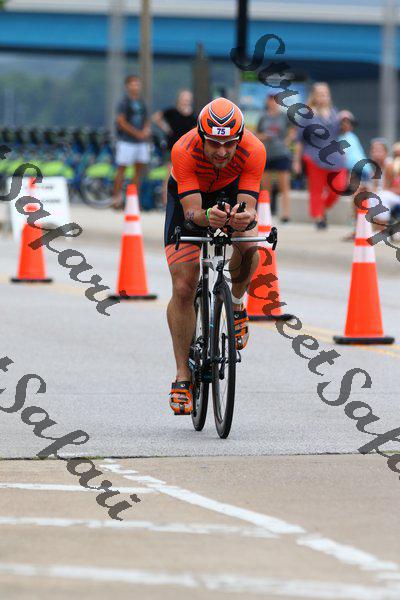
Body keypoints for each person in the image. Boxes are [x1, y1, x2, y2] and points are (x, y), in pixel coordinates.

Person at [164, 97, 266, 415]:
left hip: (229, 191)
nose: (222, 152)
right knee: (184, 284)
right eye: (214, 143)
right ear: (201, 137)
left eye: (229, 144)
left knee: (250, 245)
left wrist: (244, 218)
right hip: (189, 200)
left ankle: (235, 304)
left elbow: (249, 205)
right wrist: (208, 217)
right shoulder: (184, 149)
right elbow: (192, 212)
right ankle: (183, 376)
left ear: (239, 138)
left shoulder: (254, 150)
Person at [293, 82, 347, 229]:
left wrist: (345, 122)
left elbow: (340, 132)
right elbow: (299, 140)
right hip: (314, 156)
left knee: (338, 187)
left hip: (335, 157)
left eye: (326, 94)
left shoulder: (335, 113)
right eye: (320, 94)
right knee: (316, 190)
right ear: (314, 96)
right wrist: (296, 162)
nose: (324, 97)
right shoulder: (307, 115)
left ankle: (322, 209)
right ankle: (318, 218)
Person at [112, 75, 151, 210]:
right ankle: (116, 198)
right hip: (126, 141)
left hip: (141, 142)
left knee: (138, 171)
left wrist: (145, 131)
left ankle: (133, 199)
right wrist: (136, 133)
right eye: (132, 84)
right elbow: (121, 122)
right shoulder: (124, 102)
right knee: (121, 169)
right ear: (127, 86)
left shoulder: (142, 102)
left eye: (137, 84)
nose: (135, 86)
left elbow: (146, 119)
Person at [152, 90, 197, 205]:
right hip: (172, 147)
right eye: (183, 99)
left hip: (187, 149)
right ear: (179, 99)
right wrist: (165, 127)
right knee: (169, 174)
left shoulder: (193, 116)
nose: (185, 101)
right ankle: (165, 201)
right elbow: (156, 117)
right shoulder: (172, 112)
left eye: (187, 99)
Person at [256, 93, 294, 222]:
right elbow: (257, 134)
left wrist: (287, 141)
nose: (272, 102)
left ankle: (286, 215)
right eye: (270, 100)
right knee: (266, 186)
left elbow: (293, 131)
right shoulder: (263, 117)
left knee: (284, 186)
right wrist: (264, 136)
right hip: (267, 154)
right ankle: (266, 213)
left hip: (282, 154)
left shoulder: (284, 116)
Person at [338, 110, 372, 240]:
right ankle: (359, 228)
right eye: (343, 122)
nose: (346, 125)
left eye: (349, 122)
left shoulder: (352, 137)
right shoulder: (339, 138)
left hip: (362, 171)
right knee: (357, 199)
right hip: (353, 171)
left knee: (360, 199)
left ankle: (360, 229)